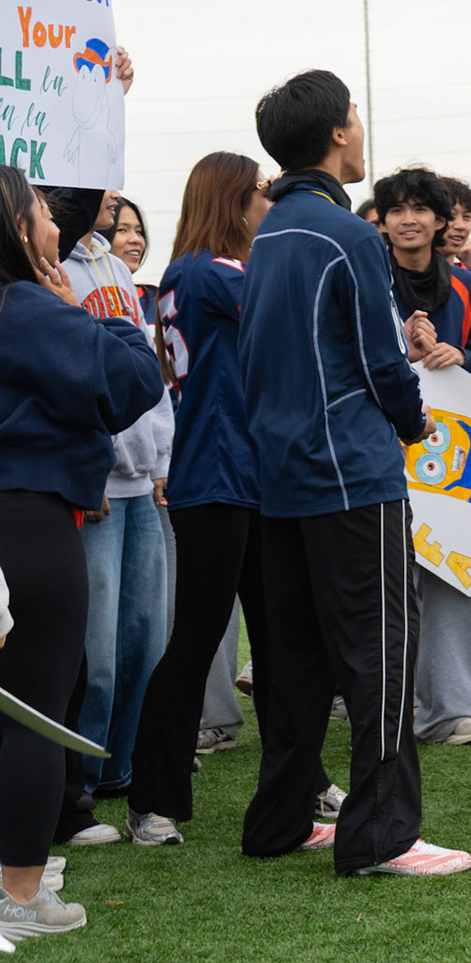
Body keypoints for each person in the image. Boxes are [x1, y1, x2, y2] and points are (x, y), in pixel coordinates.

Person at [236, 68, 470, 876]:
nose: (362, 128)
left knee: (297, 661)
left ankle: (279, 821)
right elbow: (380, 361)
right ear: (338, 132)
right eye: (357, 116)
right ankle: (381, 837)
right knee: (381, 656)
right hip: (351, 478)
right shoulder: (347, 235)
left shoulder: (270, 231)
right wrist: (412, 421)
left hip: (284, 480)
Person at [128, 153, 333, 846]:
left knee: (280, 640)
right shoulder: (205, 270)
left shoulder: (206, 270)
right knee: (196, 640)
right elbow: (297, 315)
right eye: (263, 193)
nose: (271, 205)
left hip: (256, 478)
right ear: (233, 200)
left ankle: (301, 778)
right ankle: (152, 798)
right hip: (218, 477)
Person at [0, 168, 164, 936]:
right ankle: (19, 894)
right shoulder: (27, 306)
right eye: (40, 208)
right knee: (33, 714)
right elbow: (132, 382)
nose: (55, 221)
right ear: (16, 227)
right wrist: (87, 313)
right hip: (28, 520)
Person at [373, 167, 471, 749]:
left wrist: (462, 359)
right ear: (382, 222)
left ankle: (453, 711)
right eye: (396, 210)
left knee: (454, 572)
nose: (408, 220)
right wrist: (401, 354)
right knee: (383, 580)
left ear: (441, 221)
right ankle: (388, 709)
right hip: (379, 447)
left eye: (420, 210)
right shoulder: (363, 279)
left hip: (456, 454)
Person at [64, 188, 175, 799]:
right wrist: (89, 466)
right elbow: (67, 375)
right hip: (98, 485)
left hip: (140, 481)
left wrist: (160, 456)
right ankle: (77, 780)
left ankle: (120, 768)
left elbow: (146, 373)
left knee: (145, 640)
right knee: (97, 653)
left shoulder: (116, 270)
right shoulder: (55, 268)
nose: (111, 192)